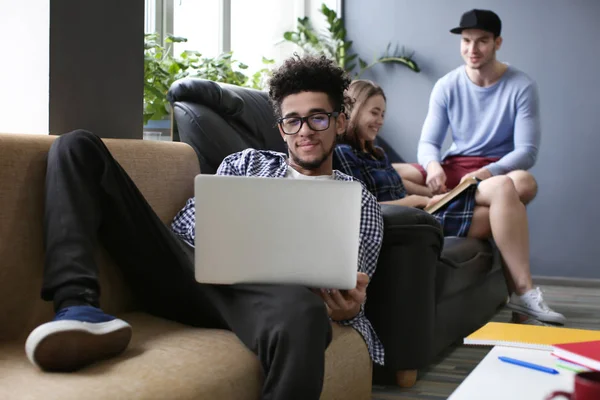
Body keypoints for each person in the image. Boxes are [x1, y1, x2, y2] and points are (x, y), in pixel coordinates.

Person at [25, 55, 384, 400]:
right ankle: (77, 307)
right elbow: (184, 229)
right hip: (185, 276)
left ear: (339, 122)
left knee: (306, 313)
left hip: (266, 304)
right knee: (76, 146)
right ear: (281, 129)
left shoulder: (360, 201)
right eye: (293, 120)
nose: (304, 131)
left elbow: (352, 279)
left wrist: (349, 309)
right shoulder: (246, 163)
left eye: (318, 118)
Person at [333, 79, 565, 326]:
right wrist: (419, 199)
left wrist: (433, 195)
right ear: (354, 110)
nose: (380, 120)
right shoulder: (342, 153)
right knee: (504, 190)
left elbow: (398, 183)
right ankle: (523, 296)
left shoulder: (375, 152)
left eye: (383, 114)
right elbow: (364, 205)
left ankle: (522, 296)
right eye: (374, 113)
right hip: (407, 219)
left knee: (507, 200)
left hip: (425, 209)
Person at [394, 9, 540, 204]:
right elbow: (429, 143)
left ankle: (450, 200)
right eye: (466, 41)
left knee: (525, 183)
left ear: (498, 43)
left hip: (496, 172)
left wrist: (486, 173)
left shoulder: (522, 86)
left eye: (482, 41)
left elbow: (526, 151)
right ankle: (448, 198)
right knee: (387, 172)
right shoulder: (446, 85)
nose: (473, 49)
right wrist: (433, 167)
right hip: (455, 167)